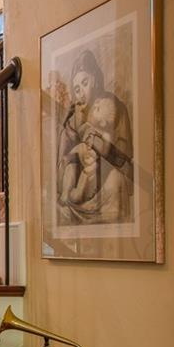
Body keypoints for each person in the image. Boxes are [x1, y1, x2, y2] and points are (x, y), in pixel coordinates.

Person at [55, 49, 134, 225]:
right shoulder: (72, 119)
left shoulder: (114, 107)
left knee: (116, 179)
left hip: (105, 178)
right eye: (77, 88)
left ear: (95, 80)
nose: (81, 92)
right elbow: (61, 163)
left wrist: (97, 145)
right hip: (79, 183)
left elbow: (126, 159)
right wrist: (76, 153)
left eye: (85, 82)